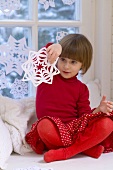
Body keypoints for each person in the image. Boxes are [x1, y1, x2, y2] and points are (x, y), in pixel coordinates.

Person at [25, 34, 113, 163]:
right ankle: (83, 148)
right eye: (63, 60)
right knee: (43, 125)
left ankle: (67, 152)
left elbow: (84, 116)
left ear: (82, 64)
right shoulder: (46, 76)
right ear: (57, 58)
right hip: (53, 132)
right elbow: (38, 60)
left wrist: (99, 110)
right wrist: (55, 46)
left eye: (73, 62)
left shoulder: (81, 88)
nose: (66, 66)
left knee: (107, 123)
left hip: (74, 130)